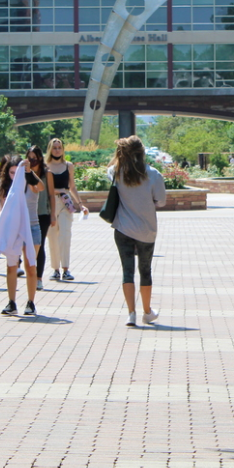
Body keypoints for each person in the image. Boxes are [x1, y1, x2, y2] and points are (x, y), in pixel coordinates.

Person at [106, 136, 166, 327]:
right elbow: (161, 201)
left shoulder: (116, 172)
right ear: (142, 153)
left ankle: (131, 313)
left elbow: (110, 171)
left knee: (127, 271)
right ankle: (147, 312)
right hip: (146, 229)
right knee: (145, 270)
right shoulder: (154, 174)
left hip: (123, 227)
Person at [0, 156, 42, 316]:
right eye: (12, 173)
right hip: (13, 228)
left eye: (17, 172)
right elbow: (2, 210)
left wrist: (28, 172)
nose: (15, 176)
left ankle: (31, 302)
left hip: (32, 227)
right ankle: (11, 302)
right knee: (11, 265)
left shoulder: (30, 182)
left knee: (30, 265)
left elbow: (41, 187)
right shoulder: (7, 188)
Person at [45, 138, 88, 282]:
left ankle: (66, 269)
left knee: (65, 235)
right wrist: (57, 190)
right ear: (50, 149)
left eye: (59, 147)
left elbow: (72, 187)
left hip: (65, 202)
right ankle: (55, 269)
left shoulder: (68, 166)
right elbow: (44, 188)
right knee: (52, 237)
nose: (57, 150)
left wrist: (80, 204)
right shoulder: (45, 166)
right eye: (54, 147)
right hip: (50, 203)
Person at [26, 145, 52, 291]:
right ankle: (30, 274)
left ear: (40, 158)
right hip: (28, 214)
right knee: (27, 246)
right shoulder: (24, 173)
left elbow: (50, 195)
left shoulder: (46, 173)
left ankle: (39, 278)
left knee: (39, 244)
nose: (32, 160)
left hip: (43, 213)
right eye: (29, 158)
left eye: (34, 158)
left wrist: (53, 214)